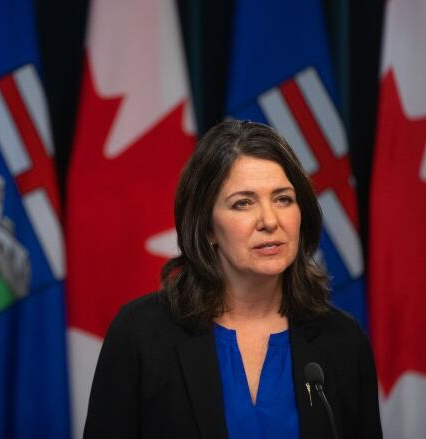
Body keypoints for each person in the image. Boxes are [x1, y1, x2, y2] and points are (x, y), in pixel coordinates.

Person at [84, 120, 382, 438]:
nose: (270, 221)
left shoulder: (343, 341)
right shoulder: (140, 335)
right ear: (208, 227)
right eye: (243, 203)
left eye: (283, 199)